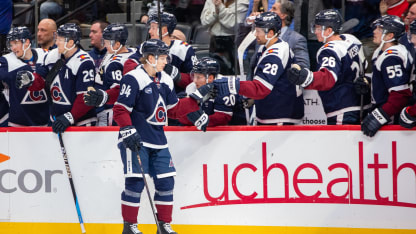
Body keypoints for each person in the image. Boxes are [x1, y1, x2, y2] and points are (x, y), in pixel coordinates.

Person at [113, 39, 212, 234]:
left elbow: (173, 110)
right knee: (135, 182)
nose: (166, 61)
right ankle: (129, 226)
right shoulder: (133, 78)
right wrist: (127, 130)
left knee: (166, 182)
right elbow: (120, 109)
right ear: (150, 58)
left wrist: (197, 98)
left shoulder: (165, 79)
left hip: (158, 141)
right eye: (163, 57)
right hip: (136, 139)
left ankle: (164, 225)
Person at [214, 11, 304, 125]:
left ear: (270, 33)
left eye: (258, 31)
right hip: (272, 111)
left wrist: (230, 84)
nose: (255, 34)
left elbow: (261, 88)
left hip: (280, 116)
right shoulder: (265, 47)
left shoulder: (276, 53)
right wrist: (252, 98)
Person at [286, 9, 367, 125]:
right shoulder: (352, 40)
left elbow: (328, 78)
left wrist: (306, 77)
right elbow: (365, 65)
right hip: (361, 105)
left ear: (329, 30)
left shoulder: (329, 50)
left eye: (319, 28)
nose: (315, 32)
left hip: (342, 108)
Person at [16, 23, 97, 133]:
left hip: (81, 121)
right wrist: (30, 80)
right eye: (56, 38)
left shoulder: (84, 62)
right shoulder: (52, 55)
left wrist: (70, 117)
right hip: (56, 119)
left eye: (60, 39)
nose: (56, 42)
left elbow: (86, 97)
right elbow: (41, 80)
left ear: (71, 42)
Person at [360, 15, 412, 136]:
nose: (374, 31)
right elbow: (384, 78)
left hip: (391, 116)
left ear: (390, 36)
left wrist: (381, 116)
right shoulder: (380, 51)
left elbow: (400, 94)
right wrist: (367, 80)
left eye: (379, 29)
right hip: (384, 109)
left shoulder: (391, 57)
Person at [124, 12, 197, 94]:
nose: (149, 31)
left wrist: (178, 76)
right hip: (149, 96)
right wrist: (147, 68)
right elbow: (128, 66)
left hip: (175, 97)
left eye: (153, 28)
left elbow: (196, 80)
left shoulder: (184, 49)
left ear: (164, 30)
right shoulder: (145, 46)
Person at [83, 23, 136, 126]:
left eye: (107, 42)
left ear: (116, 44)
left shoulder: (115, 63)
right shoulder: (133, 52)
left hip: (114, 111)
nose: (105, 45)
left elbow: (118, 92)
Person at [1, 26, 49, 126]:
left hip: (46, 123)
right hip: (17, 124)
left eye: (16, 43)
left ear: (27, 42)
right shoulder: (6, 62)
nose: (13, 48)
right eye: (11, 44)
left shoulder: (45, 55)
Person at [179, 57, 234, 128]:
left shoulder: (225, 86)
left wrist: (199, 120)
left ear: (210, 78)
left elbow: (223, 118)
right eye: (194, 76)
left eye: (198, 77)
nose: (194, 81)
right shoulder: (191, 87)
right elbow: (182, 118)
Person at [200, 0, 249, 74]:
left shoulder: (242, 2)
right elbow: (204, 22)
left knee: (231, 74)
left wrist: (220, 7)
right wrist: (216, 13)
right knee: (213, 73)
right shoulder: (211, 1)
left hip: (232, 42)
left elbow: (233, 24)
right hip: (214, 41)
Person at [270, 0, 309, 69]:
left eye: (274, 9)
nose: (270, 11)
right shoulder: (264, 35)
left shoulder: (297, 39)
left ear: (283, 15)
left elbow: (303, 67)